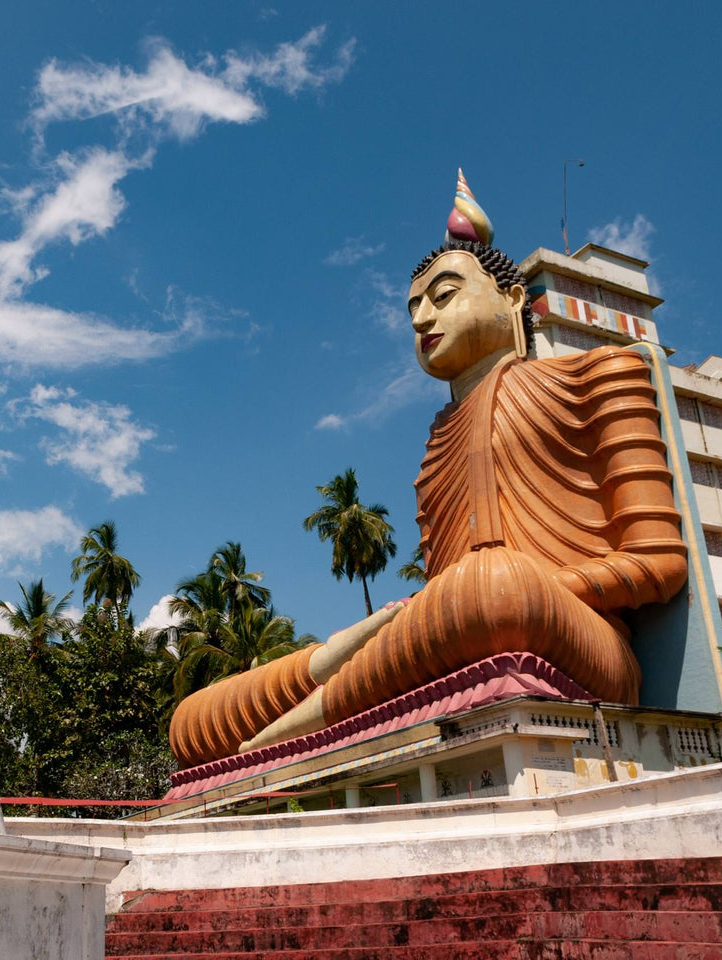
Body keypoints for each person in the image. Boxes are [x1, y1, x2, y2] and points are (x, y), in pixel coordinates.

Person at [168, 171, 688, 768]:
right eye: (413, 307)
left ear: (512, 298)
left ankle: (308, 724)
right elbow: (445, 592)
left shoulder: (599, 375)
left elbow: (661, 564)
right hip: (450, 632)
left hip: (576, 636)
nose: (422, 319)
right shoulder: (437, 439)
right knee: (195, 718)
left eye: (444, 295)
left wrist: (518, 585)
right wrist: (367, 638)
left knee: (490, 589)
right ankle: (329, 694)